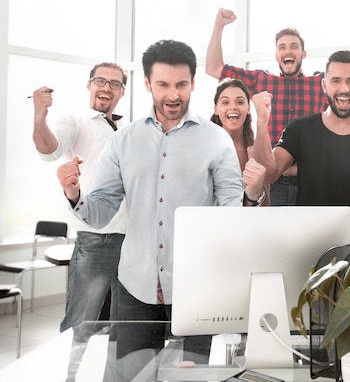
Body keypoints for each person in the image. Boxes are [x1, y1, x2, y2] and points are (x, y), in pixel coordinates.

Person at [56, 39, 266, 381]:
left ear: (194, 84)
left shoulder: (216, 140)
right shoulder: (123, 141)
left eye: (181, 84)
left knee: (190, 377)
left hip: (197, 288)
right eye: (163, 84)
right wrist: (74, 193)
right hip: (135, 287)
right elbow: (101, 211)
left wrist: (252, 195)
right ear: (148, 84)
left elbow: (232, 214)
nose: (173, 95)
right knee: (131, 377)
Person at [206, 7, 350, 206]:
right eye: (282, 47)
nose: (287, 51)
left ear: (303, 53)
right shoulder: (260, 80)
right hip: (274, 184)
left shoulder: (320, 82)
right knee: (274, 236)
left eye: (293, 46)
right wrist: (219, 26)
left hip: (312, 182)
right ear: (276, 54)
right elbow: (213, 67)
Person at [30, 62, 128, 381]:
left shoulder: (127, 131)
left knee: (124, 329)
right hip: (97, 239)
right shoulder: (77, 122)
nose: (107, 87)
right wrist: (40, 116)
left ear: (122, 92)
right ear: (89, 86)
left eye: (115, 84)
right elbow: (50, 148)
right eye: (100, 80)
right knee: (79, 325)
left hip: (133, 241)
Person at [254, 50, 350, 245]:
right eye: (336, 80)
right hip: (306, 246)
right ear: (324, 85)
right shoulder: (300, 130)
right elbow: (268, 174)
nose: (344, 88)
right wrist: (261, 124)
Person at [210, 78, 271, 206]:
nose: (233, 107)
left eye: (240, 102)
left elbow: (265, 205)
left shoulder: (255, 150)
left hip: (248, 223)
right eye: (225, 102)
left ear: (248, 109)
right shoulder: (206, 148)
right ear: (216, 109)